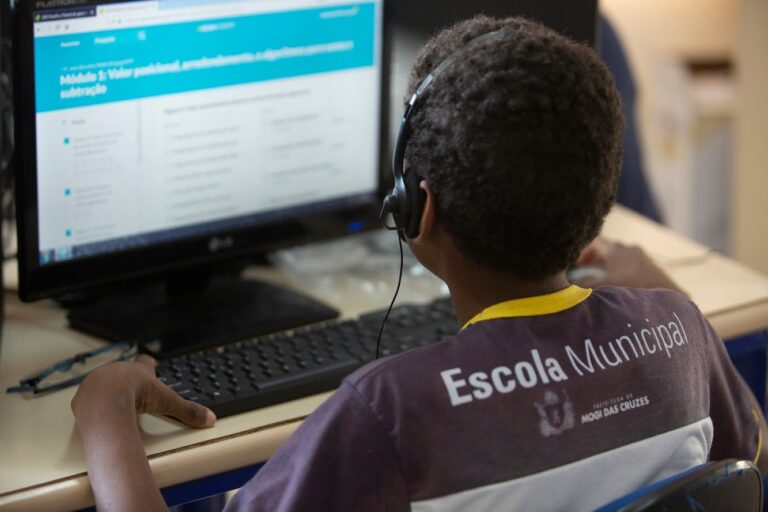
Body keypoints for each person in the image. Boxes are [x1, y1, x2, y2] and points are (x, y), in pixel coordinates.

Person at [71, 16, 767, 511]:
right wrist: (664, 301)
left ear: (416, 209)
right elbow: (747, 459)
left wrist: (106, 412)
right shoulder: (681, 330)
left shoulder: (390, 411)